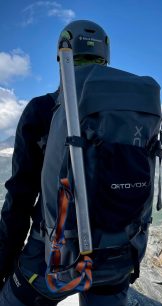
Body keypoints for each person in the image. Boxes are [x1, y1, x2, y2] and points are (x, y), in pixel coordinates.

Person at [0, 20, 129, 306]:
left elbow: (19, 199)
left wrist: (4, 264)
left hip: (51, 259)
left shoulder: (43, 110)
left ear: (62, 59)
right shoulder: (126, 116)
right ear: (105, 61)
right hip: (116, 260)